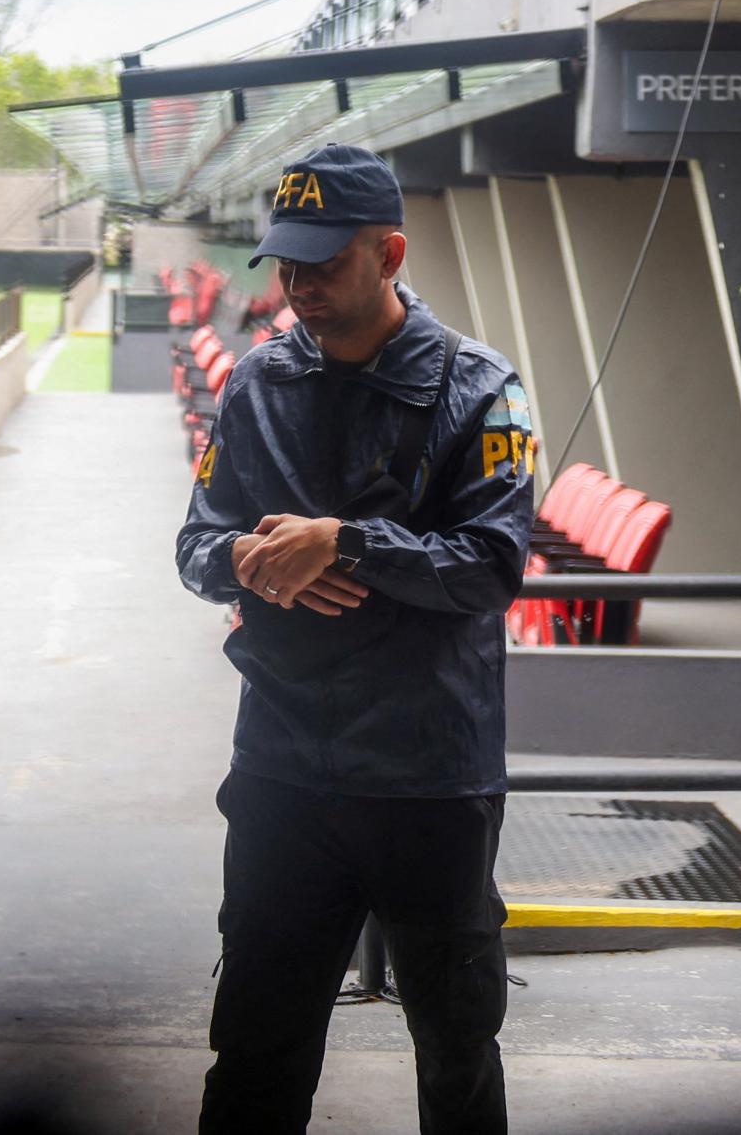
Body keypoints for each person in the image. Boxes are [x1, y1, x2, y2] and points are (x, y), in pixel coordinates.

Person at [177, 144, 536, 1134]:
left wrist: (349, 543)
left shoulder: (481, 388)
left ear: (390, 253)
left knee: (458, 1047)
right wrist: (251, 557)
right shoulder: (255, 386)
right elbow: (198, 545)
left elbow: (495, 564)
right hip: (286, 770)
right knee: (254, 1044)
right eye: (287, 266)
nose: (299, 287)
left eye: (324, 266)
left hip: (432, 776)